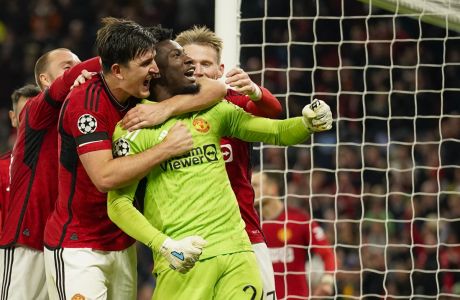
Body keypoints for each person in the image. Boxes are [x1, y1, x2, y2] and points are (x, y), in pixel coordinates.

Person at [107, 26, 333, 300]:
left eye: (201, 61)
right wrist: (165, 245)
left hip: (237, 252)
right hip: (183, 259)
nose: (190, 62)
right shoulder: (134, 126)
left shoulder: (215, 110)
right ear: (156, 70)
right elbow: (118, 204)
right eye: (179, 56)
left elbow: (276, 130)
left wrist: (307, 123)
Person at [43, 18, 224, 300]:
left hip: (124, 244)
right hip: (79, 246)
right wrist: (166, 148)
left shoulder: (141, 90)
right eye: (145, 64)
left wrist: (165, 109)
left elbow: (217, 89)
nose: (154, 69)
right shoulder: (85, 103)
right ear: (116, 71)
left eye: (153, 60)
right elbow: (105, 178)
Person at [174, 25, 281, 299]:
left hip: (243, 234)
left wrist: (256, 91)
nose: (197, 69)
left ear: (220, 70)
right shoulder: (157, 109)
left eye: (205, 63)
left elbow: (273, 114)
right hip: (186, 239)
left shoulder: (233, 104)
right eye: (189, 62)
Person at [0, 48, 101, 300]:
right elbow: (67, 82)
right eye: (68, 67)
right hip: (29, 239)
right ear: (45, 80)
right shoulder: (36, 110)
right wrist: (120, 54)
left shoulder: (80, 114)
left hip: (66, 243)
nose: (80, 71)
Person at [252, 171, 336, 299]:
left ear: (272, 188)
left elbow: (327, 253)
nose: (250, 190)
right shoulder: (250, 224)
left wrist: (327, 281)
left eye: (256, 185)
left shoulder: (299, 219)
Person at [0, 84, 41, 231]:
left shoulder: (63, 167)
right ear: (13, 118)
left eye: (38, 114)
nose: (31, 122)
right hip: (13, 250)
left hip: (55, 247)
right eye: (24, 115)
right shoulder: (1, 170)